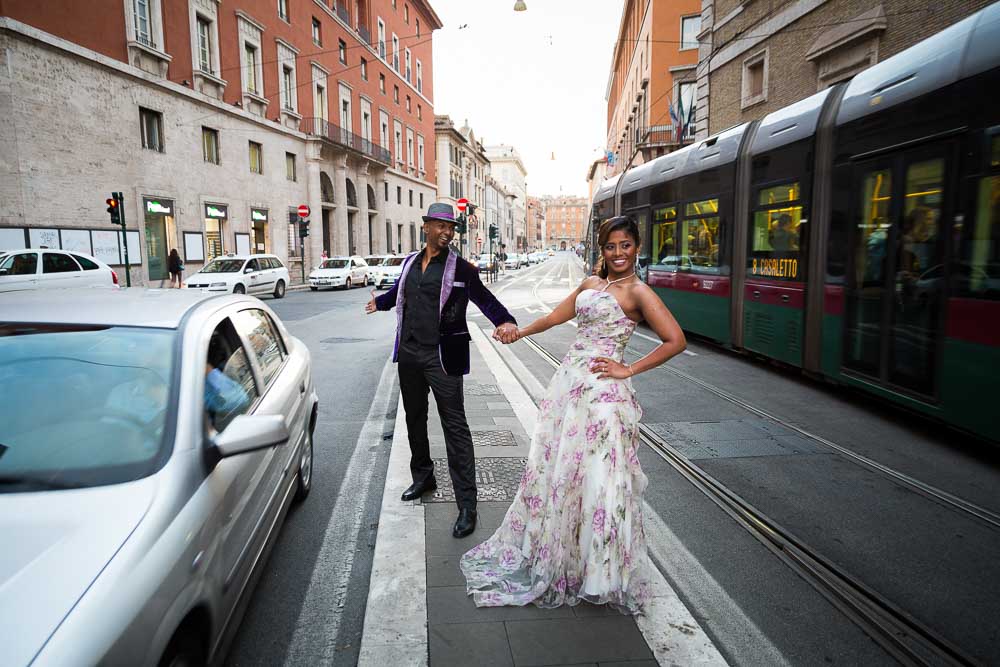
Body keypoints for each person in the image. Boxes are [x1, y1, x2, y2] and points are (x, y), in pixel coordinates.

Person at [461, 216, 686, 614]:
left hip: (604, 396)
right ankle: (568, 557)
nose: (618, 253)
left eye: (626, 246)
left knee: (602, 478)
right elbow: (554, 318)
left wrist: (627, 368)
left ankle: (601, 572)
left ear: (637, 247)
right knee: (564, 471)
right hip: (570, 388)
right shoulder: (589, 284)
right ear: (602, 249)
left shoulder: (639, 292)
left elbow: (675, 340)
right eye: (611, 246)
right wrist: (518, 332)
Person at [365, 202, 519, 538]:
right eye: (441, 226)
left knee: (455, 428)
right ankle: (423, 477)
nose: (447, 233)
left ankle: (467, 505)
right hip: (409, 353)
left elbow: (485, 298)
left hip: (442, 356)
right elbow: (400, 294)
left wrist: (505, 319)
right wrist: (381, 301)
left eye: (451, 228)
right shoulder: (409, 263)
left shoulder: (462, 269)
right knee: (414, 419)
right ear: (427, 227)